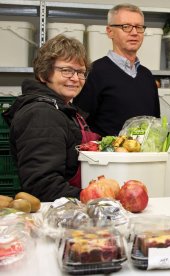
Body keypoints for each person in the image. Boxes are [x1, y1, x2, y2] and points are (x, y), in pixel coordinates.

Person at [2, 35, 98, 202]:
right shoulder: (41, 114)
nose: (75, 78)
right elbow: (42, 185)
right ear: (43, 74)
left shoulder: (62, 109)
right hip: (56, 215)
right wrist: (93, 198)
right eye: (66, 70)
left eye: (81, 72)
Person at [73, 3, 160, 137]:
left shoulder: (147, 76)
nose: (134, 32)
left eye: (139, 27)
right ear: (109, 32)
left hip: (146, 156)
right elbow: (80, 125)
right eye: (126, 27)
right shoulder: (94, 72)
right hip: (108, 156)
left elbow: (155, 123)